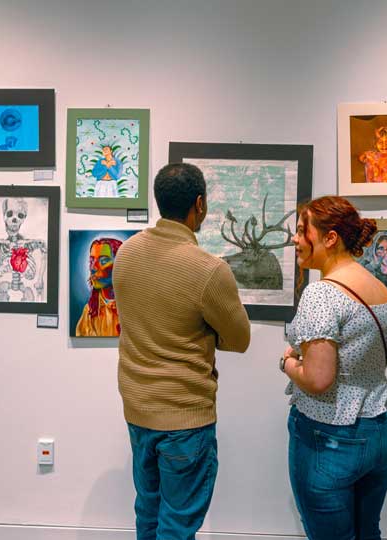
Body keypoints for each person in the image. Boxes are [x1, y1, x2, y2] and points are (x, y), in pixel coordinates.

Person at [113, 162, 251, 540]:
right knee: (176, 526)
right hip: (185, 419)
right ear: (200, 204)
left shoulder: (125, 254)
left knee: (148, 512)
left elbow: (141, 319)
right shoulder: (208, 270)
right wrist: (205, 333)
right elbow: (239, 339)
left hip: (138, 410)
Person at [281, 195, 387, 540]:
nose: (295, 239)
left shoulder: (322, 293)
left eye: (303, 231)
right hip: (383, 426)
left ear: (330, 238)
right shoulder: (379, 287)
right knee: (367, 532)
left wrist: (286, 362)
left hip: (331, 432)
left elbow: (318, 379)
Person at [75, 237, 122, 336]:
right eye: (91, 261)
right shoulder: (90, 311)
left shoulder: (134, 308)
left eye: (103, 261)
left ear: (120, 264)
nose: (93, 268)